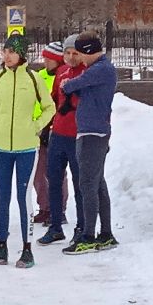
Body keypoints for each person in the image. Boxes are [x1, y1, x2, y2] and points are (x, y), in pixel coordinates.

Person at [0, 32, 55, 268]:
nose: (7, 56)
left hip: (26, 149)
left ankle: (27, 249)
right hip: (0, 147)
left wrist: (37, 127)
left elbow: (49, 107)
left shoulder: (33, 79)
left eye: (11, 51)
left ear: (22, 54)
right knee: (3, 198)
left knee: (24, 199)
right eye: (5, 51)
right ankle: (2, 247)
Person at [58, 30, 118, 254]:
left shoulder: (101, 69)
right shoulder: (99, 69)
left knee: (88, 185)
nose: (79, 59)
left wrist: (67, 83)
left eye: (81, 54)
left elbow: (72, 85)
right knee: (97, 183)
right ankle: (106, 233)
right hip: (91, 131)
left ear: (89, 52)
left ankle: (89, 235)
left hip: (93, 133)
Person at [38, 34, 84, 246]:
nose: (71, 57)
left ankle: (82, 226)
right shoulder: (61, 72)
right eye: (68, 53)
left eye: (75, 53)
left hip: (78, 135)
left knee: (79, 182)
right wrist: (48, 127)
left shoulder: (88, 73)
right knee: (53, 179)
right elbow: (54, 101)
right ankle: (55, 225)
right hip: (58, 134)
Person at [32, 41, 67, 226]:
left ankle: (59, 209)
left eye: (48, 58)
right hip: (39, 130)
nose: (45, 61)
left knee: (56, 173)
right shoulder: (40, 76)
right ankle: (44, 208)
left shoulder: (64, 76)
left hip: (56, 129)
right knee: (38, 173)